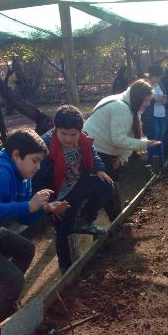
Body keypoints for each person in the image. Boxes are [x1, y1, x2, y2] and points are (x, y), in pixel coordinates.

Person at [0, 129, 67, 332]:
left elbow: (23, 215)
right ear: (17, 155)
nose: (38, 167)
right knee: (13, 279)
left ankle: (7, 300)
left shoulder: (23, 176)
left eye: (40, 161)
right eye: (35, 161)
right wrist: (28, 206)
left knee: (25, 249)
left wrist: (43, 209)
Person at [33, 105, 114, 274]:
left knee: (106, 185)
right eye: (64, 134)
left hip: (77, 185)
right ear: (56, 128)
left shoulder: (83, 139)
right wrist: (48, 203)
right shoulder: (45, 147)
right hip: (57, 195)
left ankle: (84, 220)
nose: (69, 139)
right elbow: (37, 178)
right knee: (64, 230)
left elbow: (92, 152)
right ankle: (66, 269)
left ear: (80, 132)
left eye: (73, 134)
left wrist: (99, 168)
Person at [83, 80, 160, 219]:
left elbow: (128, 135)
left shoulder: (131, 106)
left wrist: (122, 157)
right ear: (138, 98)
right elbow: (118, 139)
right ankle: (102, 221)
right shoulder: (121, 107)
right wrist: (145, 144)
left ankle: (115, 221)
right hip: (96, 152)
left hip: (107, 152)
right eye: (146, 100)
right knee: (106, 189)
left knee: (110, 190)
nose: (148, 104)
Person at [141, 64, 167, 166]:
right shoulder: (145, 86)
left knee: (160, 138)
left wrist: (164, 100)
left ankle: (160, 161)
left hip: (162, 115)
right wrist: (155, 100)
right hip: (151, 116)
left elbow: (165, 97)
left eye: (159, 77)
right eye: (156, 77)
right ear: (151, 75)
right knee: (153, 137)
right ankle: (151, 162)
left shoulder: (160, 84)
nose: (158, 79)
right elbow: (143, 100)